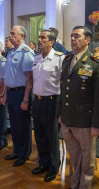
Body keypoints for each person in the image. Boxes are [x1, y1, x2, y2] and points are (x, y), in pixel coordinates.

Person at [58, 26, 99, 189]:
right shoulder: (67, 60)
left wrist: (96, 124)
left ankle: (84, 186)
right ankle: (75, 184)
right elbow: (63, 88)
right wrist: (61, 114)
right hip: (67, 118)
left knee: (87, 160)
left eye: (77, 36)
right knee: (75, 157)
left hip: (85, 121)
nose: (73, 39)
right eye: (71, 36)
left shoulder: (95, 63)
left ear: (87, 40)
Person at [31, 30, 64, 182]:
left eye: (43, 37)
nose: (39, 40)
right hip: (37, 100)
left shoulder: (59, 58)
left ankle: (53, 167)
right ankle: (43, 163)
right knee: (39, 135)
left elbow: (64, 84)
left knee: (51, 137)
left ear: (52, 42)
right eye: (39, 37)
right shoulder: (36, 58)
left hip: (52, 101)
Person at [2, 25, 34, 167]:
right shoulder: (10, 52)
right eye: (10, 33)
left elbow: (29, 78)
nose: (10, 35)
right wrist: (5, 93)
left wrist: (26, 99)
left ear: (21, 36)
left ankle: (24, 154)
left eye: (13, 33)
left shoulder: (26, 52)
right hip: (11, 92)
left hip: (21, 92)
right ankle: (17, 150)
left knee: (23, 125)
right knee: (14, 124)